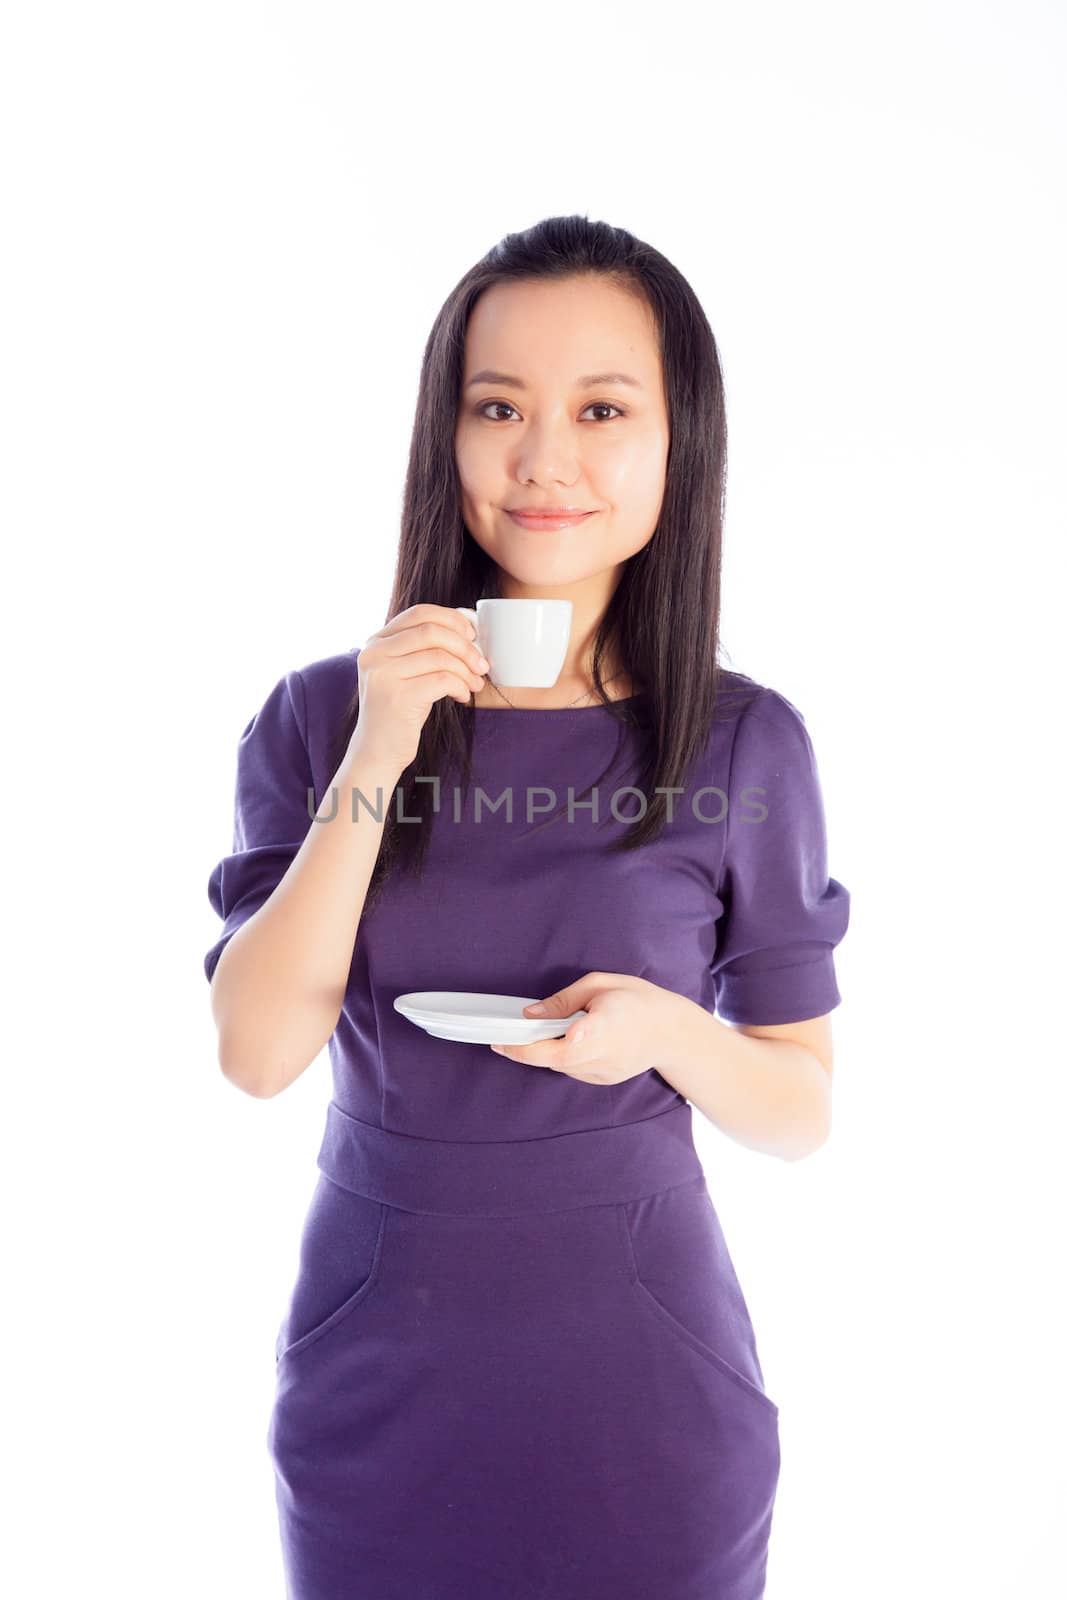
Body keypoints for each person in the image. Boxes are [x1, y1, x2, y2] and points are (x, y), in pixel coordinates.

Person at [204, 213, 851, 1600]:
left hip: (647, 1389)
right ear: (446, 438)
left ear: (680, 445)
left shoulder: (743, 742)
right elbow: (258, 1056)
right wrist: (382, 749)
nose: (544, 459)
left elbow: (800, 1110)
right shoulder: (327, 715)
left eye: (602, 410)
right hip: (382, 1373)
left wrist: (669, 1031)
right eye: (498, 407)